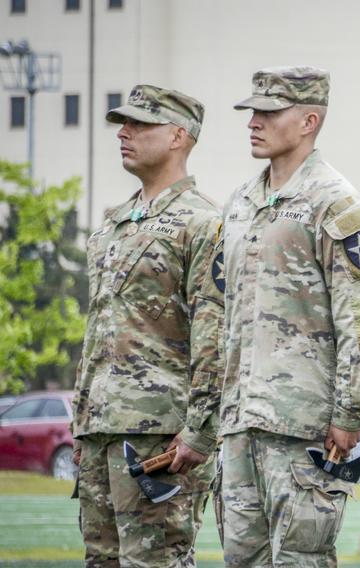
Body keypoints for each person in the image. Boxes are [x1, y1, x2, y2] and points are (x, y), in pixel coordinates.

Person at [219, 66, 360, 567]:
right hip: (242, 421)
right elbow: (222, 313)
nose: (254, 121)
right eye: (252, 111)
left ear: (309, 120)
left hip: (304, 427)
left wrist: (349, 414)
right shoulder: (242, 203)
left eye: (270, 112)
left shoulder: (334, 202)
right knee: (241, 559)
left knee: (301, 560)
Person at [71, 84, 223, 567]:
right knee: (103, 560)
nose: (125, 132)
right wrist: (82, 423)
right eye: (123, 123)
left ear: (179, 136)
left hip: (160, 433)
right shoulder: (114, 226)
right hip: (102, 427)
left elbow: (214, 333)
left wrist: (200, 431)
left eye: (141, 124)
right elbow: (99, 331)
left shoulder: (202, 223)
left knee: (155, 561)